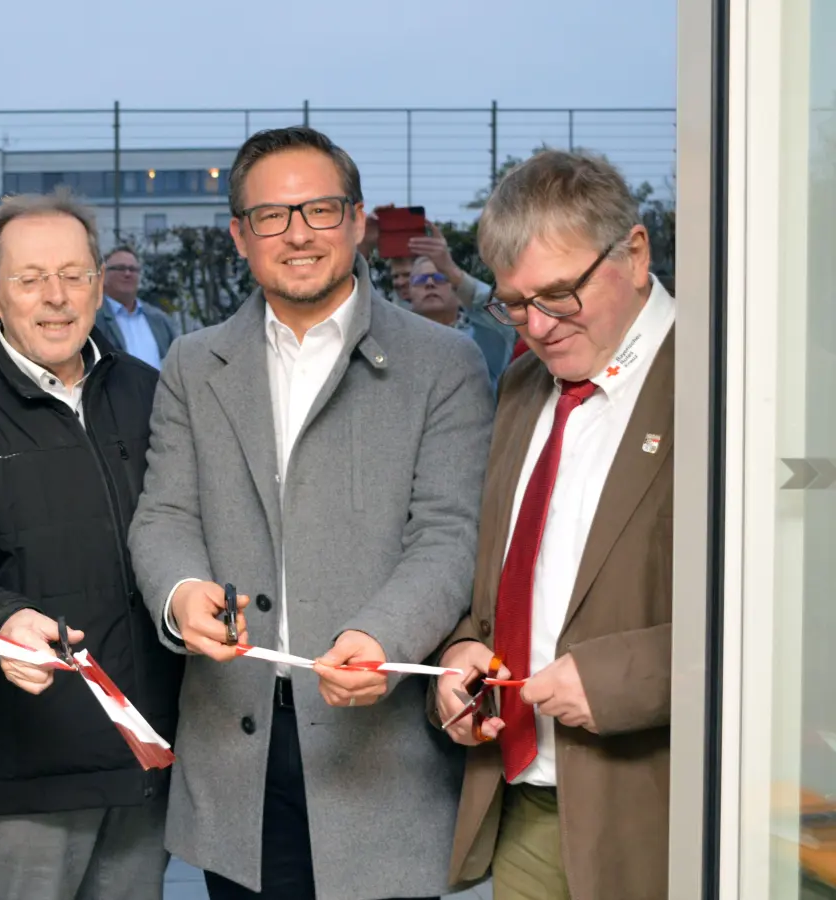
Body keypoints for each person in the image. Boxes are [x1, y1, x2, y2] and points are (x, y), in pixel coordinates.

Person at [128, 125, 494, 899]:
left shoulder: (443, 364)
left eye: (321, 210)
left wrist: (380, 636)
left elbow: (451, 533)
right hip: (238, 744)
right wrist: (182, 591)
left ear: (358, 221)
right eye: (271, 216)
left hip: (381, 753)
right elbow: (163, 514)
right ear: (239, 235)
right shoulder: (195, 365)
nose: (298, 234)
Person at [432, 149, 674, 900]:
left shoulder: (730, 379)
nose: (536, 326)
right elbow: (501, 569)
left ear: (635, 254)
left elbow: (792, 618)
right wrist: (463, 649)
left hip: (664, 806)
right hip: (527, 798)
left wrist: (619, 680)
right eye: (514, 302)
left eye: (560, 293)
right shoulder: (523, 383)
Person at [0, 191, 183, 899]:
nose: (56, 297)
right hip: (25, 768)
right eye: (29, 279)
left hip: (144, 756)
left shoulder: (150, 392)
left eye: (75, 275)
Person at [409, 256, 511, 388]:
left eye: (441, 277)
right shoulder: (399, 341)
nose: (429, 283)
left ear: (459, 294)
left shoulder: (481, 336)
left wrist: (456, 275)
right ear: (410, 294)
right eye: (420, 280)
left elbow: (501, 317)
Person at [95, 246, 180, 369]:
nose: (127, 273)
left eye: (133, 269)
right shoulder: (93, 320)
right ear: (103, 275)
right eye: (120, 268)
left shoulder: (159, 320)